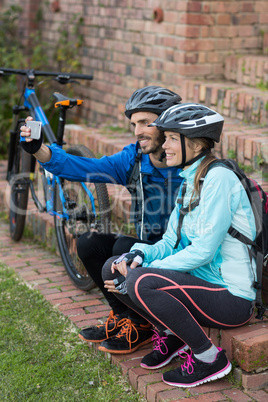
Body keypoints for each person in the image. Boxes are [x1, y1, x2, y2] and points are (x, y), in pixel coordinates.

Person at [20, 86, 186, 355]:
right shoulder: (134, 160)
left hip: (180, 260)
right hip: (145, 254)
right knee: (89, 243)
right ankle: (128, 319)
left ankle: (141, 322)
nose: (137, 131)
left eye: (145, 122)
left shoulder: (193, 163)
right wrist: (40, 150)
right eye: (134, 124)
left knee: (123, 249)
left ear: (168, 122)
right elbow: (86, 167)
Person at [102, 103, 257, 387]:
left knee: (139, 279)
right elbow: (169, 242)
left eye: (173, 138)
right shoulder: (189, 182)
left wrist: (145, 269)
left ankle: (210, 358)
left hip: (232, 298)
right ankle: (174, 336)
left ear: (196, 144)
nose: (165, 145)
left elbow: (204, 251)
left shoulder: (218, 179)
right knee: (113, 267)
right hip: (200, 286)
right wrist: (139, 254)